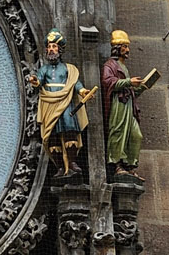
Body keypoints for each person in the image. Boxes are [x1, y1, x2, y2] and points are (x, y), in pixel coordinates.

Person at [28, 28, 95, 176]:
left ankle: (71, 162)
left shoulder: (67, 69)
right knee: (52, 135)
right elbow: (39, 82)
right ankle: (59, 166)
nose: (51, 50)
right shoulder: (44, 69)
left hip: (65, 103)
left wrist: (82, 91)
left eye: (54, 47)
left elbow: (74, 82)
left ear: (60, 49)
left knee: (70, 131)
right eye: (49, 47)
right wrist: (34, 81)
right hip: (49, 103)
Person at [101, 28, 147, 178]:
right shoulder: (110, 65)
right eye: (124, 46)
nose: (127, 50)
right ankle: (118, 165)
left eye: (127, 47)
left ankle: (130, 165)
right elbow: (107, 81)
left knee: (136, 135)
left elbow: (128, 87)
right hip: (118, 105)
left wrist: (140, 87)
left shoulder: (124, 67)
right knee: (119, 132)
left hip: (128, 104)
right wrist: (128, 81)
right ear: (117, 48)